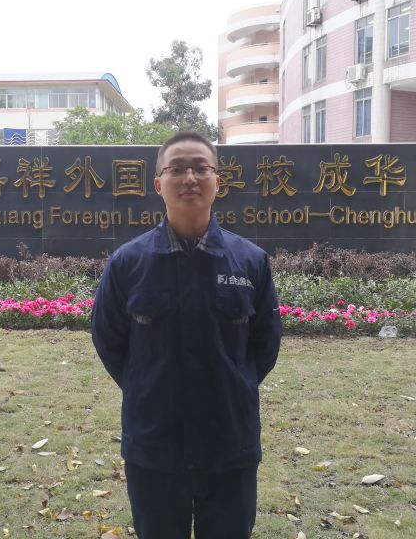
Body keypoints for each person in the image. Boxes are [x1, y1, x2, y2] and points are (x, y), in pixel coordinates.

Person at [91, 131, 282, 539]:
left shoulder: (250, 262)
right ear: (159, 184)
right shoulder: (128, 263)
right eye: (177, 169)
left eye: (200, 168)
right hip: (154, 442)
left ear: (218, 181)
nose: (190, 178)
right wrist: (147, 385)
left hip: (229, 440)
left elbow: (265, 344)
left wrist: (232, 384)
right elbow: (109, 339)